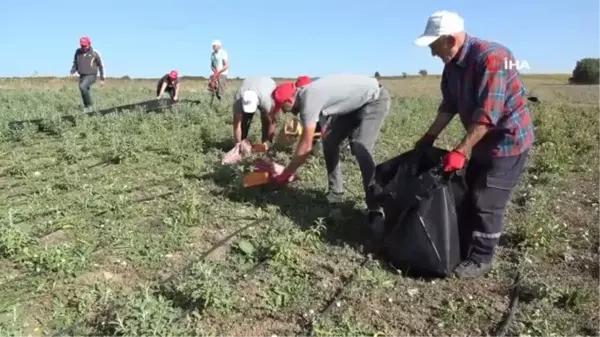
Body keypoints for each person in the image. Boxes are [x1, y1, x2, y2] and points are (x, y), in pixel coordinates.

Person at [413, 10, 534, 278]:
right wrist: (429, 136)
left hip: (507, 141)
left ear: (449, 39)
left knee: (487, 199)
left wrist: (460, 150)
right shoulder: (452, 67)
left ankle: (482, 258)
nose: (433, 53)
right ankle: (466, 245)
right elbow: (449, 105)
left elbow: (488, 115)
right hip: (481, 139)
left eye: (434, 45)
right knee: (470, 191)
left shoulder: (493, 57)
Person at [269, 74, 391, 228]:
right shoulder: (307, 94)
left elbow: (306, 147)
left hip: (375, 98)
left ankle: (376, 208)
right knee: (330, 142)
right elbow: (312, 136)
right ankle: (336, 193)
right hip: (354, 105)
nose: (286, 112)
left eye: (284, 109)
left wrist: (285, 174)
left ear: (288, 101)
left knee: (361, 147)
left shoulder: (307, 99)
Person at [232, 76, 280, 148]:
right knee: (244, 120)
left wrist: (268, 142)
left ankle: (266, 144)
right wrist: (238, 143)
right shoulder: (238, 98)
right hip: (251, 84)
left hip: (268, 85)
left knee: (266, 120)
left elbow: (272, 122)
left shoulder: (266, 100)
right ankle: (242, 144)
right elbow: (237, 125)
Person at [70, 36, 105, 113]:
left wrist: (102, 79)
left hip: (91, 75)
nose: (84, 47)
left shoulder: (95, 53)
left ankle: (88, 106)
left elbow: (101, 66)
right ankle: (89, 110)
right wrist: (72, 71)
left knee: (82, 87)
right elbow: (75, 63)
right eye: (82, 45)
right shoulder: (78, 52)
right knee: (84, 91)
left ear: (89, 44)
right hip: (82, 76)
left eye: (85, 45)